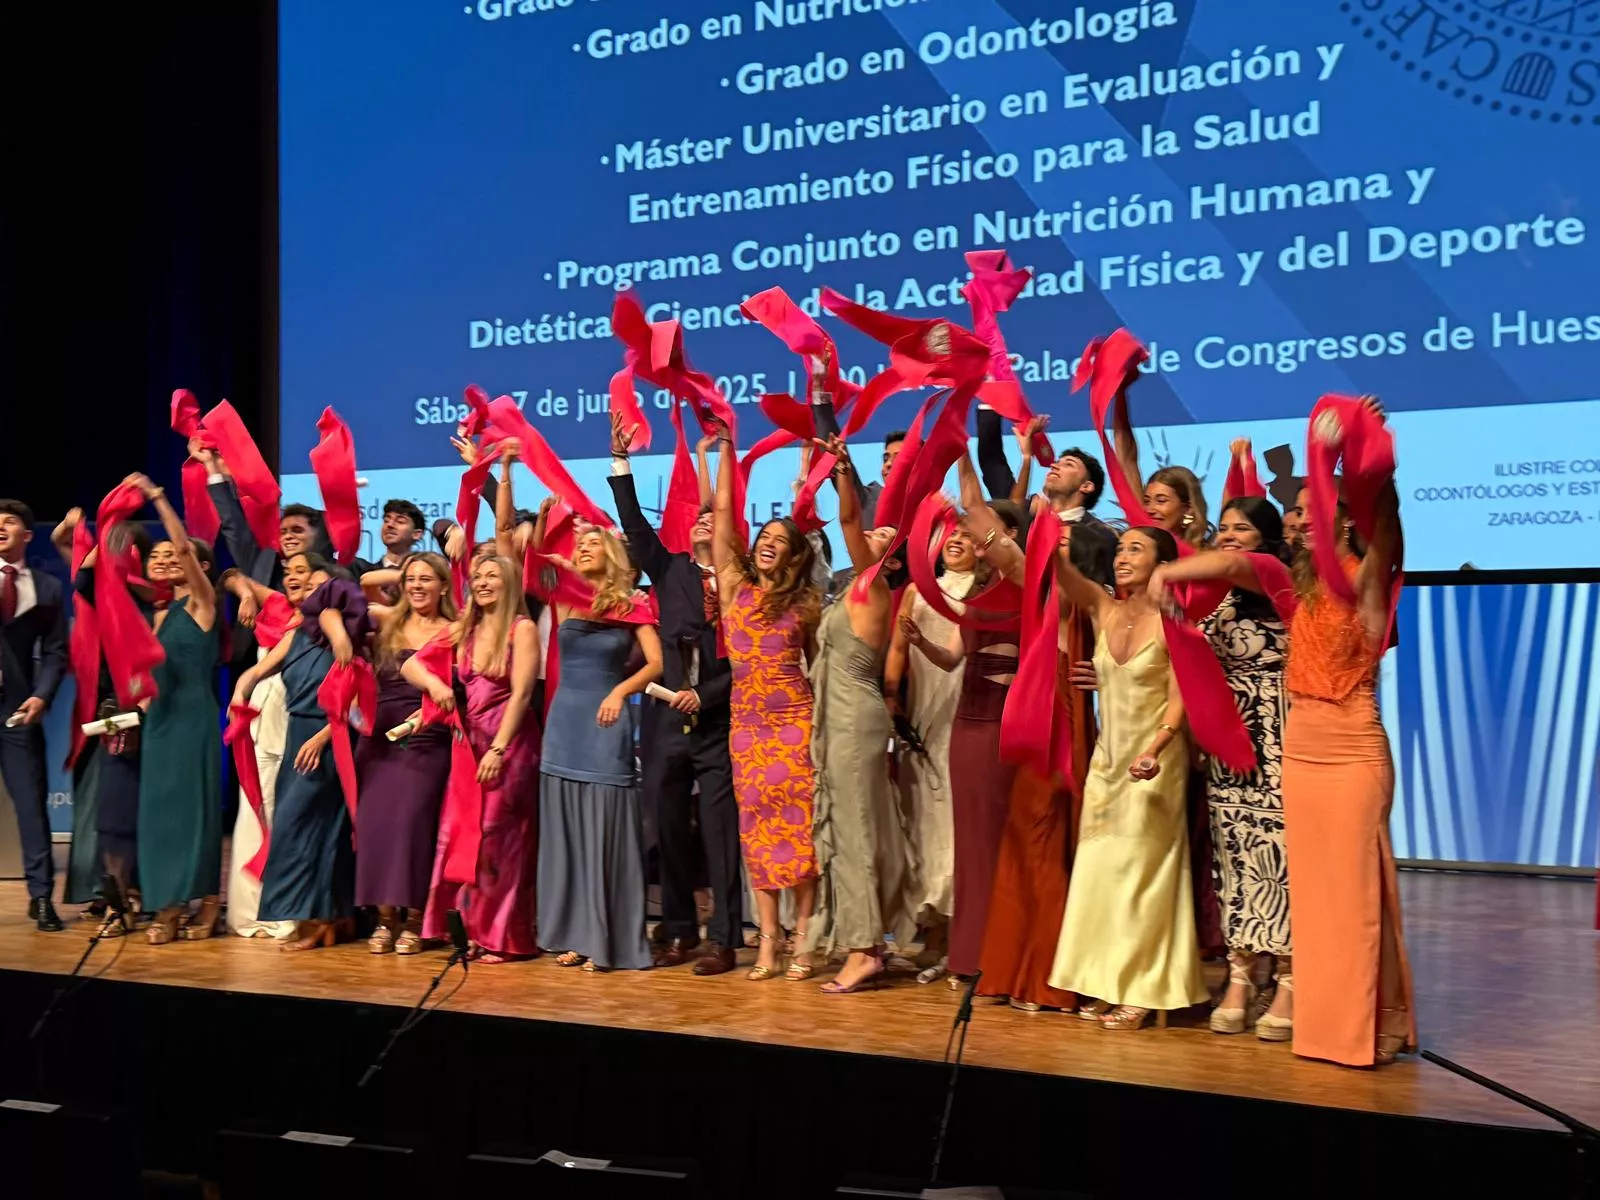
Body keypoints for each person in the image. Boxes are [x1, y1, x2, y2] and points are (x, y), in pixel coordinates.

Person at [1149, 399, 1414, 1066]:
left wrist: (1363, 467)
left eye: (1308, 514)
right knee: (1315, 896)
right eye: (1295, 515)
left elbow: (1387, 534)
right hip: (1299, 752)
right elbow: (1242, 568)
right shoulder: (1299, 592)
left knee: (1351, 896)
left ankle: (1354, 1029)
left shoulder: (1366, 588)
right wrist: (1170, 570)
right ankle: (1325, 1021)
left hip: (1352, 748)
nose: (1297, 522)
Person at [1047, 525, 1209, 1029]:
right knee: (1100, 875)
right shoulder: (1103, 606)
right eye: (1120, 548)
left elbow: (1181, 698)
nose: (1122, 556)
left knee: (1142, 878)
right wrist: (1047, 536)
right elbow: (1062, 575)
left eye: (1136, 549)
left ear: (1162, 564)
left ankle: (1143, 989)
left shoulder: (1173, 621)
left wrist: (1155, 750)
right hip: (1108, 765)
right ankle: (1104, 981)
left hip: (1154, 762)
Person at [608, 414, 742, 976]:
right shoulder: (670, 570)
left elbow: (748, 658)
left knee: (718, 832)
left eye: (716, 515)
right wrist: (622, 462)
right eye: (699, 516)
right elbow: (635, 526)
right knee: (666, 827)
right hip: (665, 717)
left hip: (717, 718)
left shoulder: (742, 583)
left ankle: (725, 938)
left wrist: (708, 697)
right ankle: (680, 929)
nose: (705, 520)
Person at [711, 422, 822, 982]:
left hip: (793, 723)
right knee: (758, 835)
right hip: (747, 728)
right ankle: (769, 944)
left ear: (796, 554)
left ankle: (804, 941)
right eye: (764, 536)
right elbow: (726, 520)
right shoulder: (737, 589)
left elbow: (822, 669)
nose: (767, 542)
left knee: (797, 833)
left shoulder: (806, 604)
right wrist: (726, 452)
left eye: (780, 538)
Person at [805, 434, 915, 994]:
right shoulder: (852, 591)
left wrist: (841, 471)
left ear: (890, 557)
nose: (873, 530)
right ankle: (874, 937)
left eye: (883, 535)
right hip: (843, 722)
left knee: (854, 834)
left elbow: (848, 517)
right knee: (861, 831)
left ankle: (863, 948)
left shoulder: (874, 588)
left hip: (854, 723)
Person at [900, 498, 1023, 992]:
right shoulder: (977, 598)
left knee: (990, 843)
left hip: (997, 724)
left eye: (978, 534)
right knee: (968, 843)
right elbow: (952, 658)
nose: (969, 540)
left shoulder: (1022, 592)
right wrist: (919, 641)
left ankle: (998, 953)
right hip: (965, 725)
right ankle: (965, 953)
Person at [537, 521, 662, 972]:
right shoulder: (566, 595)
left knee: (605, 830)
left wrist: (618, 691)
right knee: (569, 834)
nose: (584, 548)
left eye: (593, 543)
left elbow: (657, 663)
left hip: (605, 721)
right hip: (564, 723)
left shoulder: (632, 604)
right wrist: (506, 474)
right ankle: (576, 934)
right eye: (580, 544)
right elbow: (519, 553)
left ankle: (608, 939)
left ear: (611, 554)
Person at [408, 552, 541, 963]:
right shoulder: (465, 627)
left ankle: (506, 936)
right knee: (466, 835)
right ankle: (472, 931)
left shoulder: (522, 628)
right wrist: (436, 686)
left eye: (492, 576)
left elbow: (521, 694)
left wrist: (500, 748)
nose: (482, 582)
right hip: (470, 744)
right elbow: (413, 664)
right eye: (478, 575)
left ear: (509, 584)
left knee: (500, 840)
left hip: (511, 743)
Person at [232, 554, 365, 951]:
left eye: (319, 587)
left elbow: (358, 702)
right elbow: (256, 671)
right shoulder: (294, 634)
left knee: (311, 830)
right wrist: (241, 690)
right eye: (306, 587)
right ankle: (325, 920)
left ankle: (321, 920)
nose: (308, 592)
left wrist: (325, 736)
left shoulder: (352, 638)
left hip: (328, 740)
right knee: (300, 830)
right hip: (297, 737)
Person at [1197, 497, 1294, 1038]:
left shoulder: (1275, 579)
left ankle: (1289, 978)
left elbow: (1235, 566)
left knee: (1281, 858)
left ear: (1266, 537)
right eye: (1225, 527)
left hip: (1279, 732)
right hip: (1226, 738)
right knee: (1233, 856)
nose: (1230, 535)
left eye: (1242, 528)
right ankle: (1240, 973)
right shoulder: (1215, 595)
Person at [127, 474, 223, 944]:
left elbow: (185, 548)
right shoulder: (158, 614)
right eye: (157, 555)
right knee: (159, 814)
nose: (168, 559)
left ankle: (204, 902)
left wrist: (158, 498)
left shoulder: (203, 603)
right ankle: (164, 903)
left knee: (196, 811)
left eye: (175, 554)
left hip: (194, 719)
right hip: (161, 723)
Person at [882, 525, 975, 982]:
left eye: (965, 534)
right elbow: (898, 648)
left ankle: (959, 938)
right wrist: (893, 702)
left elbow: (958, 655)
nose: (956, 541)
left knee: (955, 821)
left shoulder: (983, 590)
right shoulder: (918, 589)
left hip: (961, 707)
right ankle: (930, 935)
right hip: (921, 714)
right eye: (949, 534)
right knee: (920, 819)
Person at [357, 551, 456, 954]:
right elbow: (359, 587)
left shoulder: (454, 629)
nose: (417, 586)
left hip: (427, 735)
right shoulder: (387, 621)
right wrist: (406, 571)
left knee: (416, 828)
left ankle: (415, 918)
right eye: (411, 579)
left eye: (427, 579)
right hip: (378, 738)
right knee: (376, 827)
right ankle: (384, 920)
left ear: (444, 587)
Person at [0, 499, 68, 931]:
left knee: (30, 805)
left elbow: (58, 651)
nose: (0, 527)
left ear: (27, 535)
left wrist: (43, 696)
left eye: (9, 522)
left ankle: (41, 897)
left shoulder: (45, 587)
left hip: (17, 711)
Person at [976, 409, 1119, 575]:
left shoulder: (1100, 536)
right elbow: (991, 462)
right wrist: (995, 399)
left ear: (1086, 486)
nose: (1054, 465)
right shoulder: (1022, 513)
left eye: (1069, 464)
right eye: (1057, 462)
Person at [351, 499, 428, 604]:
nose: (390, 525)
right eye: (386, 520)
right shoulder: (360, 570)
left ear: (417, 534)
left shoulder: (426, 576)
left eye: (400, 521)